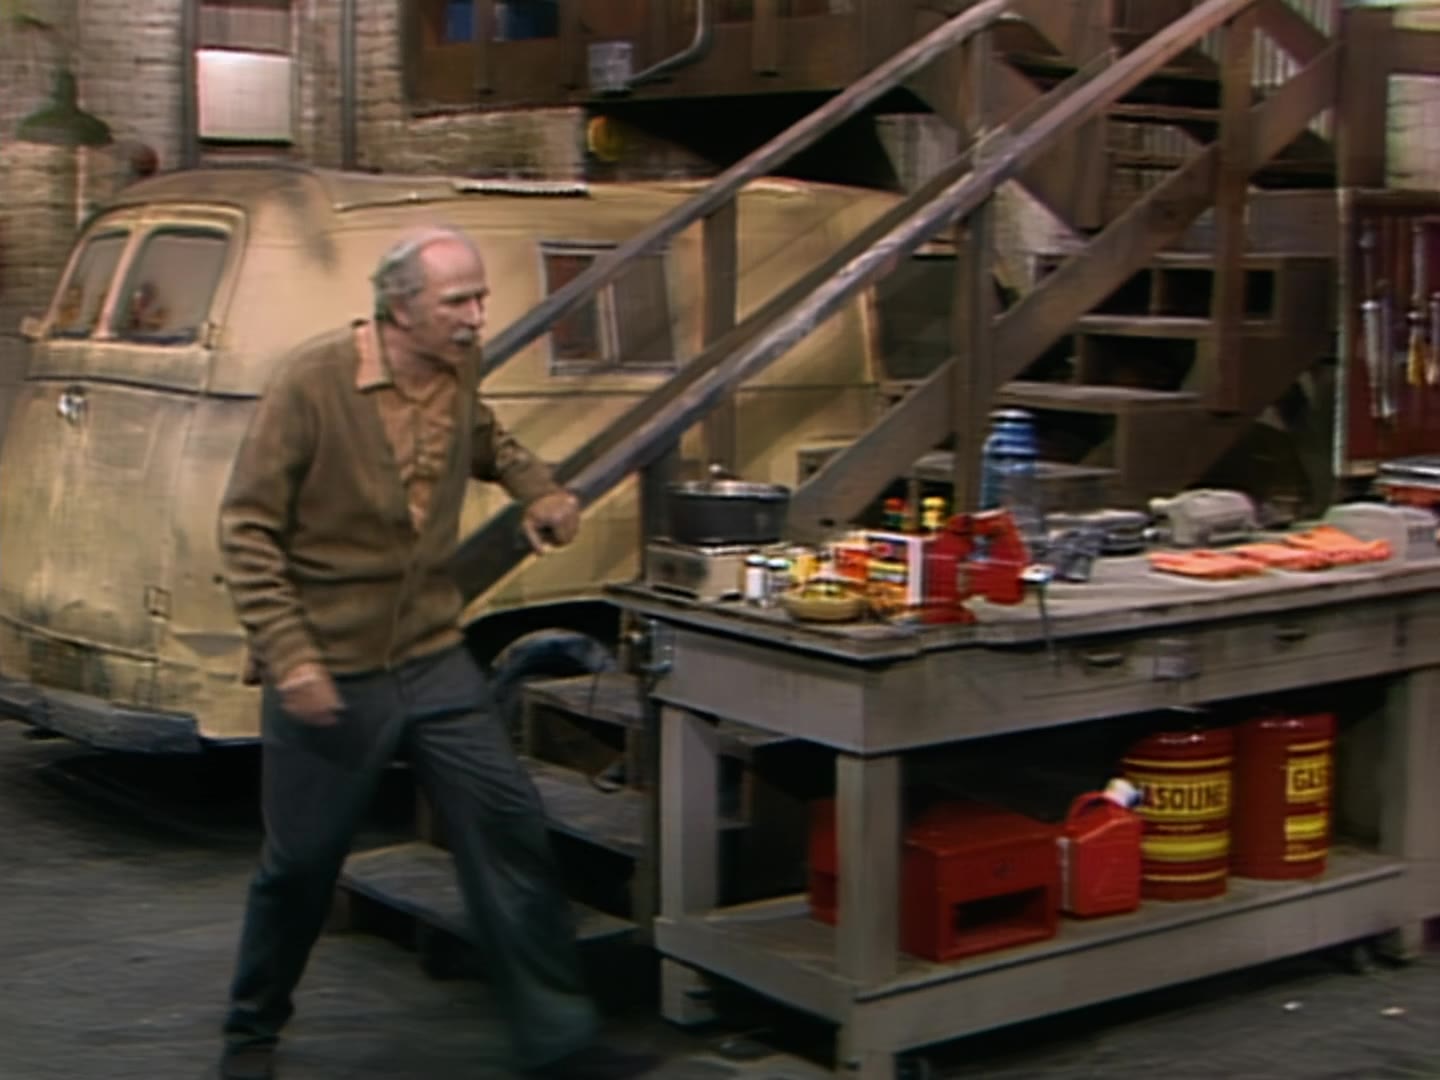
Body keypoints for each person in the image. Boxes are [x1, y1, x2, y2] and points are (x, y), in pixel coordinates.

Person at [215, 226, 660, 1080]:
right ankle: (251, 1035)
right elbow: (247, 532)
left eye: (480, 298)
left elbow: (487, 440)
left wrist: (541, 491)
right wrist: (291, 654)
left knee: (508, 827)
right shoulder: (312, 382)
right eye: (458, 301)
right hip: (330, 664)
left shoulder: (457, 371)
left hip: (432, 657)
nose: (477, 316)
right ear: (400, 308)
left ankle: (559, 1039)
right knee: (301, 865)